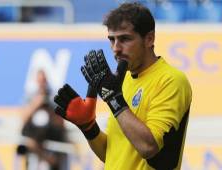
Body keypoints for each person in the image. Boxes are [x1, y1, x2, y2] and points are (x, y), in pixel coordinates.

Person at [54, 2, 192, 170]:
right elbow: (110, 153)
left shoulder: (171, 80)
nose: (116, 48)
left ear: (149, 39)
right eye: (112, 40)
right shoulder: (122, 81)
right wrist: (89, 127)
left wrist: (114, 99)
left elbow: (148, 147)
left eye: (125, 39)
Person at [18, 69, 66, 170]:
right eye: (40, 80)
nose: (42, 83)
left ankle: (46, 158)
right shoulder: (30, 97)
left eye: (44, 80)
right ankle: (48, 159)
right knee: (28, 137)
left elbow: (61, 123)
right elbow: (23, 119)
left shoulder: (53, 97)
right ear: (36, 81)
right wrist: (36, 104)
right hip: (34, 134)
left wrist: (50, 109)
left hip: (50, 133)